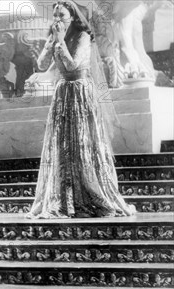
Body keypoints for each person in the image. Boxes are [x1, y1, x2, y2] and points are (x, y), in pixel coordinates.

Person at [27, 0, 135, 219]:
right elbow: (40, 65)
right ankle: (65, 196)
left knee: (82, 142)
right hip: (62, 93)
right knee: (62, 143)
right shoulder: (56, 37)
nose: (57, 20)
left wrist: (59, 42)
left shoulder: (83, 37)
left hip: (79, 91)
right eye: (55, 16)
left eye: (62, 15)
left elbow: (73, 65)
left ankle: (90, 193)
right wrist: (51, 43)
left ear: (73, 17)